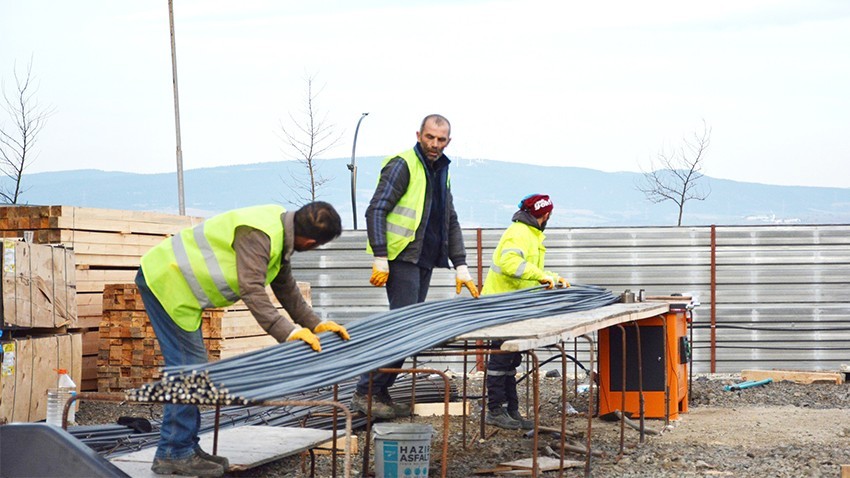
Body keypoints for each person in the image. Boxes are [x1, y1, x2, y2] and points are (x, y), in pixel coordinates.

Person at [136, 202, 350, 477]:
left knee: (194, 369)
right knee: (188, 370)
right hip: (168, 282)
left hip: (179, 284)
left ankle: (185, 445)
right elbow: (251, 286)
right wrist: (288, 332)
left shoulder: (279, 228)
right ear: (310, 242)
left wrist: (315, 323)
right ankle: (174, 452)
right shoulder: (259, 233)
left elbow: (284, 285)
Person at [351, 114, 480, 420]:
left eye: (441, 139)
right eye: (430, 137)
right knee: (403, 329)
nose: (435, 144)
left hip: (424, 259)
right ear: (419, 134)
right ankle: (367, 391)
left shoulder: (440, 170)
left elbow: (449, 218)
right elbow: (376, 210)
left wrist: (461, 264)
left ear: (448, 141)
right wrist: (380, 255)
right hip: (401, 258)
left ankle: (377, 391)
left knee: (406, 329)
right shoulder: (403, 165)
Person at [481, 194, 570, 430]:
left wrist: (552, 277)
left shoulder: (530, 234)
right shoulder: (520, 233)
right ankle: (495, 410)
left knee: (511, 358)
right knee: (501, 358)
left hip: (515, 306)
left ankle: (511, 410)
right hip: (502, 305)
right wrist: (541, 276)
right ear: (546, 214)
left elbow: (531, 270)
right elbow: (512, 265)